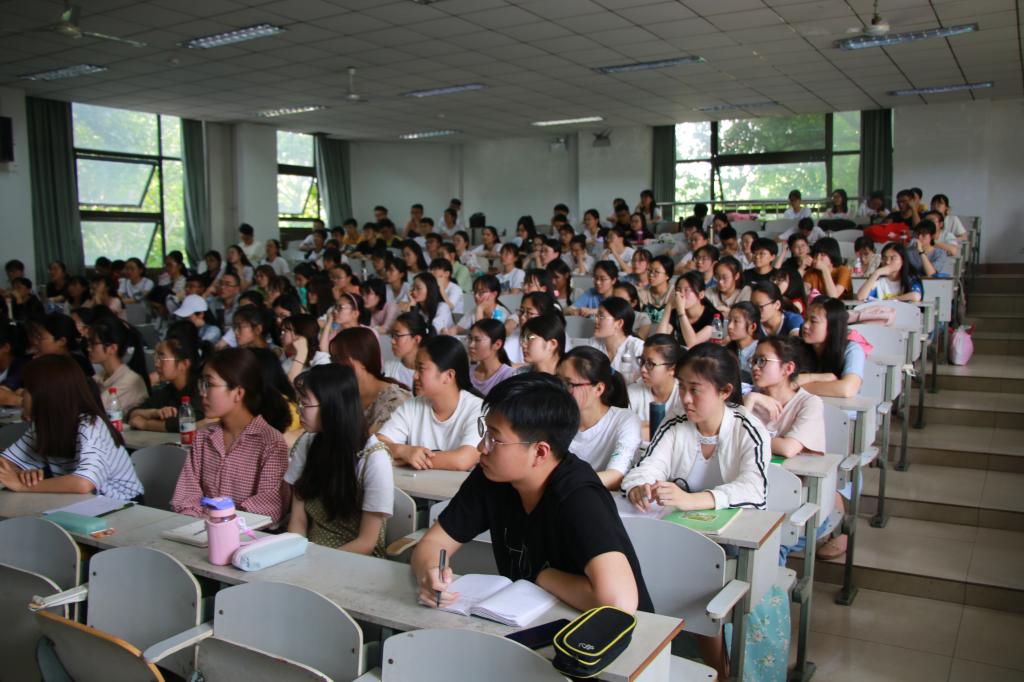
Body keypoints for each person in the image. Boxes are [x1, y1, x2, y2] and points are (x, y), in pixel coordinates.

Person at [411, 372, 653, 615]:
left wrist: (542, 576)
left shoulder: (580, 497)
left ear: (540, 452)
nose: (482, 447)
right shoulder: (492, 476)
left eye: (495, 438)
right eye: (485, 432)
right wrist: (430, 573)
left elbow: (618, 603)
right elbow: (434, 542)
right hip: (528, 619)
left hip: (617, 631)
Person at [621, 343, 769, 678]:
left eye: (695, 390)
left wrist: (693, 499)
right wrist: (640, 487)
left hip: (728, 542)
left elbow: (754, 490)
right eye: (682, 387)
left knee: (697, 573)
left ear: (724, 391)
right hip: (677, 534)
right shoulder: (675, 423)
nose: (685, 398)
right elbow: (646, 467)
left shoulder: (748, 428)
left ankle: (719, 671)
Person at [170, 348, 290, 523]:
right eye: (201, 383)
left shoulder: (270, 442)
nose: (202, 393)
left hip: (248, 535)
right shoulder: (203, 437)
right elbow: (185, 498)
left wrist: (218, 524)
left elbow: (267, 508)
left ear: (238, 393)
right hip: (200, 531)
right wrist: (199, 525)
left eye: (209, 384)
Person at [0, 354, 144, 500]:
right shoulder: (42, 426)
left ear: (45, 395)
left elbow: (84, 483)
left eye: (27, 389)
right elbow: (4, 464)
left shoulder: (90, 425)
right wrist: (20, 474)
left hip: (123, 504)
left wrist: (22, 485)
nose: (22, 395)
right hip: (80, 502)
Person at [283, 365, 393, 555]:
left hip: (355, 559)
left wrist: (316, 562)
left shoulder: (373, 458)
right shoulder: (307, 443)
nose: (299, 410)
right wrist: (296, 556)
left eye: (305, 404)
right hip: (310, 553)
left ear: (331, 405)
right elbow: (298, 521)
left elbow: (367, 542)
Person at [376, 335, 483, 471]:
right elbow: (377, 444)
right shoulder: (412, 406)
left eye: (421, 369)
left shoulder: (477, 409)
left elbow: (462, 460)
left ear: (448, 376)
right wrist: (403, 451)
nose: (414, 376)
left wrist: (410, 459)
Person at [557, 347, 641, 491]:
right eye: (558, 381)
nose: (560, 390)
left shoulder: (624, 420)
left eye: (569, 384)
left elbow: (615, 476)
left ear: (598, 389)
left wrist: (567, 484)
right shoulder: (554, 419)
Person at [743, 336, 825, 458]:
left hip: (793, 470)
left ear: (788, 368)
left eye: (762, 361)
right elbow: (731, 440)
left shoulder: (809, 403)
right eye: (754, 361)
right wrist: (751, 399)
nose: (755, 367)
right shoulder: (750, 399)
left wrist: (746, 439)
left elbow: (788, 448)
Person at [329, 327, 410, 433]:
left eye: (338, 359)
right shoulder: (341, 393)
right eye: (332, 359)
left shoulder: (394, 400)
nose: (333, 366)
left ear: (362, 360)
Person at [128, 328, 205, 432]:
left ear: (183, 364)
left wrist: (146, 424)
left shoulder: (200, 389)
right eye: (156, 358)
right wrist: (153, 413)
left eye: (162, 358)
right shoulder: (168, 390)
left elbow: (189, 422)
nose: (156, 364)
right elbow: (132, 414)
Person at [87, 316, 150, 414]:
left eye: (93, 343)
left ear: (112, 348)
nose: (88, 348)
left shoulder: (129, 381)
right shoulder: (100, 377)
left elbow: (93, 408)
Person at [627, 333, 684, 439]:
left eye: (650, 364)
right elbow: (622, 431)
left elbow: (682, 436)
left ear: (672, 369)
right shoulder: (633, 391)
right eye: (642, 361)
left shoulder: (683, 396)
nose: (643, 369)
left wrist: (642, 427)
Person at [655, 271, 719, 348]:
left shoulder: (715, 316)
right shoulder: (675, 312)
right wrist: (668, 306)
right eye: (678, 289)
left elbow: (693, 344)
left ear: (701, 294)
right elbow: (659, 340)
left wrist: (681, 312)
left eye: (687, 290)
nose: (681, 294)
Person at [588, 297, 644, 383]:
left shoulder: (638, 348)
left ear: (619, 323)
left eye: (601, 316)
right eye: (596, 316)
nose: (596, 321)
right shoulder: (593, 343)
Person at [28, 313, 95, 379]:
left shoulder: (78, 367)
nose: (36, 342)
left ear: (61, 341)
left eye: (41, 338)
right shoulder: (42, 362)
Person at [855, 243, 923, 302]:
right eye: (884, 258)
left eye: (892, 258)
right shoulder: (878, 280)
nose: (887, 262)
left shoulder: (910, 278)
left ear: (903, 260)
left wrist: (895, 299)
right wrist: (876, 273)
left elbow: (916, 296)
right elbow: (860, 297)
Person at [506, 291, 560, 365]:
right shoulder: (514, 336)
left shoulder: (556, 334)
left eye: (530, 313)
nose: (522, 317)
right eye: (521, 311)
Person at [444, 274, 509, 335]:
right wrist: (448, 332)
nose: (476, 296)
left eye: (481, 292)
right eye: (475, 292)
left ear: (494, 294)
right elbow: (458, 328)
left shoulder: (501, 313)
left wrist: (480, 309)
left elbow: (482, 335)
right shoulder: (474, 310)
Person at [468, 319, 516, 396]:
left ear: (497, 344)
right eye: (470, 339)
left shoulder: (509, 377)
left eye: (477, 340)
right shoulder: (467, 372)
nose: (471, 345)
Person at [281, 314, 331, 384]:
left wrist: (301, 354)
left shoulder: (321, 360)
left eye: (284, 331)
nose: (281, 336)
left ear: (299, 335)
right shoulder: (290, 359)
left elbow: (289, 386)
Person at [385, 312, 429, 391]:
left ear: (416, 339)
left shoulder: (431, 373)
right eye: (392, 335)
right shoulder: (388, 369)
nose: (392, 341)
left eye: (397, 336)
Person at [726, 301, 762, 381]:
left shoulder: (760, 351)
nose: (729, 326)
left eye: (736, 321)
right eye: (729, 321)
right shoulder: (728, 350)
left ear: (752, 327)